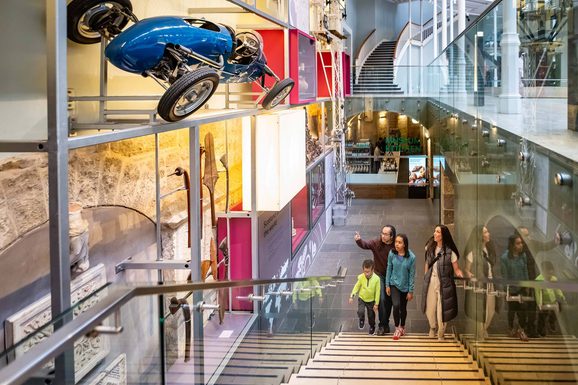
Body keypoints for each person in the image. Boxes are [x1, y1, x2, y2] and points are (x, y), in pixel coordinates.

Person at [516, 226, 560, 337]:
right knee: (522, 306)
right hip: (520, 281)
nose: (528, 237)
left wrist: (555, 241)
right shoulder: (515, 248)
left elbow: (545, 246)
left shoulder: (532, 244)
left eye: (528, 234)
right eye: (525, 235)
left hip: (531, 279)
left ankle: (531, 329)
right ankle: (522, 327)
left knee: (532, 304)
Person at [423, 225, 463, 340]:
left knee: (442, 309)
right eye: (435, 231)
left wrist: (460, 273)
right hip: (431, 280)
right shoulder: (429, 247)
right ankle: (432, 327)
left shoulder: (450, 252)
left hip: (444, 283)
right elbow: (427, 263)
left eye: (438, 232)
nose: (435, 234)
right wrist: (425, 276)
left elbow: (456, 269)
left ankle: (441, 332)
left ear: (443, 235)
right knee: (430, 306)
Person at [354, 225, 397, 335]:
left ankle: (388, 324)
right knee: (382, 299)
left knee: (391, 302)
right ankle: (382, 325)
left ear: (392, 236)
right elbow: (366, 245)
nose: (382, 236)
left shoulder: (395, 246)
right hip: (380, 276)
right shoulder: (377, 243)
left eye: (386, 234)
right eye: (382, 233)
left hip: (393, 276)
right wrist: (359, 240)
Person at [464, 225, 500, 339]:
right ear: (480, 236)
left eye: (487, 231)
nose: (488, 234)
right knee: (481, 310)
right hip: (480, 285)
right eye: (485, 232)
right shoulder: (473, 252)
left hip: (490, 284)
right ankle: (480, 332)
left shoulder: (489, 250)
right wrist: (469, 275)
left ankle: (484, 329)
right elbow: (467, 269)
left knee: (491, 309)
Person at [386, 234, 416, 341]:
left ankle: (402, 326)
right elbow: (389, 268)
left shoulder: (411, 257)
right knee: (396, 305)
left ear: (404, 244)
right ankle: (397, 328)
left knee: (403, 308)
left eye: (400, 242)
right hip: (394, 284)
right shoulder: (392, 253)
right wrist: (387, 284)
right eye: (396, 242)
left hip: (405, 286)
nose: (397, 244)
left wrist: (410, 291)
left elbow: (412, 275)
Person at [500, 234, 530, 341]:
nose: (521, 245)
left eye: (521, 243)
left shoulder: (523, 256)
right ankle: (511, 328)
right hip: (511, 289)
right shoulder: (505, 258)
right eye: (518, 243)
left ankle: (521, 330)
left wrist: (527, 286)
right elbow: (505, 275)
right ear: (512, 245)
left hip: (521, 288)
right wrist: (507, 290)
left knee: (523, 310)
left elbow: (525, 270)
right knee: (512, 310)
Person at [535, 261, 566, 337]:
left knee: (556, 311)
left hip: (552, 300)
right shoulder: (538, 280)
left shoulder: (553, 279)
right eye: (548, 273)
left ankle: (551, 321)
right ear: (543, 271)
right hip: (543, 301)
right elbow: (537, 293)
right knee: (542, 316)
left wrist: (561, 296)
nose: (550, 275)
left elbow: (557, 289)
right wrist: (539, 303)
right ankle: (540, 330)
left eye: (551, 273)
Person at [349, 259, 381, 335]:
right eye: (364, 271)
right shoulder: (361, 277)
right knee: (360, 311)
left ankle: (372, 326)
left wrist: (376, 304)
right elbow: (356, 287)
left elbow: (377, 292)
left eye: (368, 271)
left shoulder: (377, 279)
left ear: (372, 270)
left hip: (371, 300)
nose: (366, 274)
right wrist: (352, 296)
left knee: (371, 316)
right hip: (362, 298)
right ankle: (361, 319)